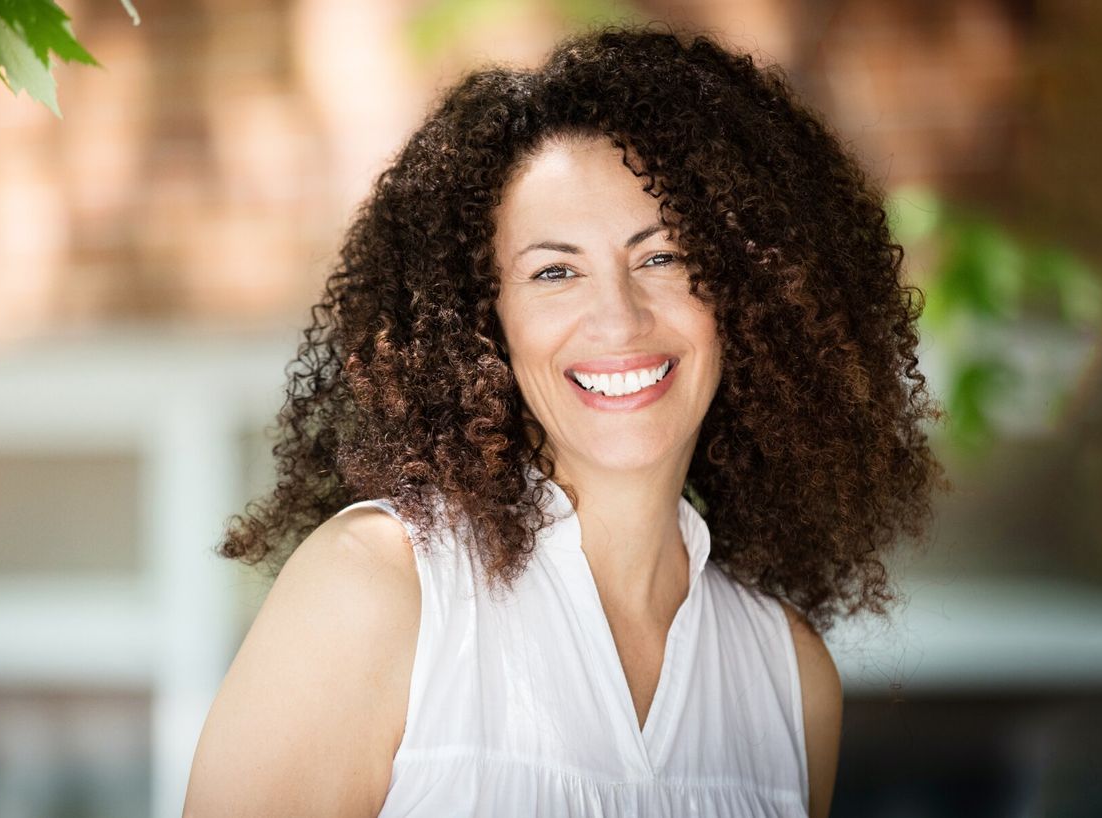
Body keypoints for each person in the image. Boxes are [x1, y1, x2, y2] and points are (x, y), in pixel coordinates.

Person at [182, 23, 942, 818]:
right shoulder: (379, 590)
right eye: (554, 271)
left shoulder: (791, 681)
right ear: (483, 323)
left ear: (751, 291)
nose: (618, 319)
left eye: (663, 257)